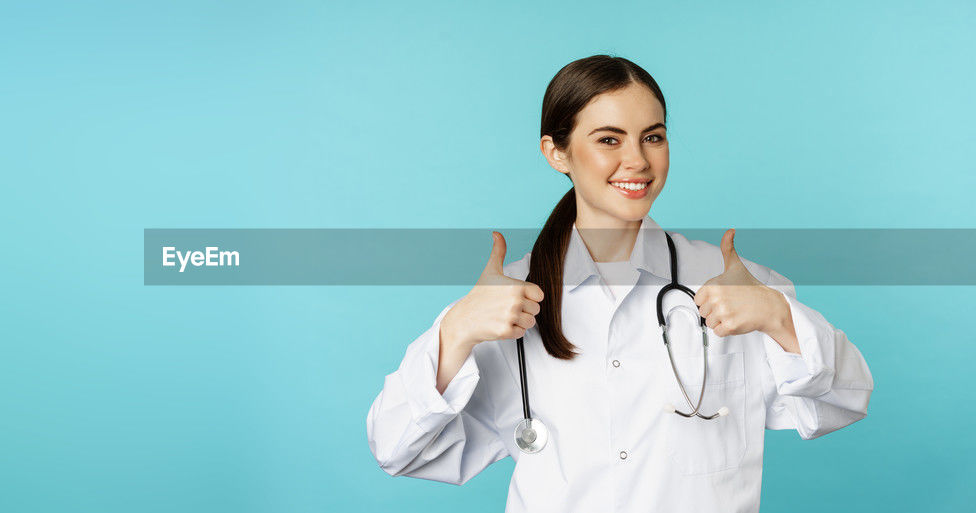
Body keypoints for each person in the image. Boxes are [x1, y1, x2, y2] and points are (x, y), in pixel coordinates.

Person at [365, 55, 873, 513]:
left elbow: (844, 402)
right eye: (609, 139)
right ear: (556, 153)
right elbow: (397, 451)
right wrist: (454, 333)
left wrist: (781, 320)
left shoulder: (737, 288)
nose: (638, 160)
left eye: (652, 136)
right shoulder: (504, 303)